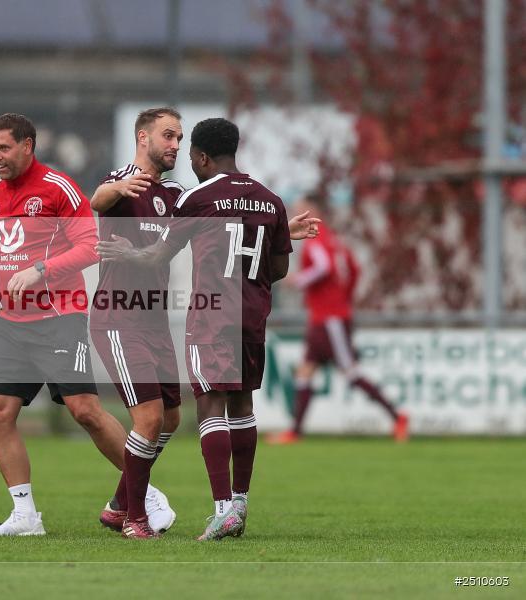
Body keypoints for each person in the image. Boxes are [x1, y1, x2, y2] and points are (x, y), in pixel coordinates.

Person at [97, 118, 320, 541]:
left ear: (201, 157)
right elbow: (278, 268)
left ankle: (221, 511)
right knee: (243, 407)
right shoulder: (271, 201)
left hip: (212, 315)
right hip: (253, 316)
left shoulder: (198, 198)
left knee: (210, 407)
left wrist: (128, 251)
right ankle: (240, 502)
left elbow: (159, 255)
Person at [0, 113, 174, 537]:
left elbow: (91, 246)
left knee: (85, 411)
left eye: (4, 148)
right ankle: (25, 515)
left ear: (27, 146)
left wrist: (40, 270)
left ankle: (145, 495)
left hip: (60, 317)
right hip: (11, 323)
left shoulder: (58, 187)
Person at [89, 107, 185, 538]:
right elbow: (98, 200)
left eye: (179, 137)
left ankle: (118, 505)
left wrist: (279, 229)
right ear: (143, 137)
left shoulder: (174, 193)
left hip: (154, 320)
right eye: (168, 135)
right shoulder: (123, 181)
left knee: (170, 418)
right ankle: (136, 518)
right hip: (118, 317)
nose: (175, 145)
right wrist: (117, 187)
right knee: (147, 418)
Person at [269, 197, 409, 444]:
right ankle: (295, 431)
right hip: (325, 316)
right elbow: (354, 270)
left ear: (312, 210)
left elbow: (323, 267)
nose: (296, 214)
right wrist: (344, 298)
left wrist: (299, 280)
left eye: (300, 209)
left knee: (350, 372)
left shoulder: (317, 239)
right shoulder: (335, 240)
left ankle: (397, 417)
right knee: (305, 371)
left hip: (329, 319)